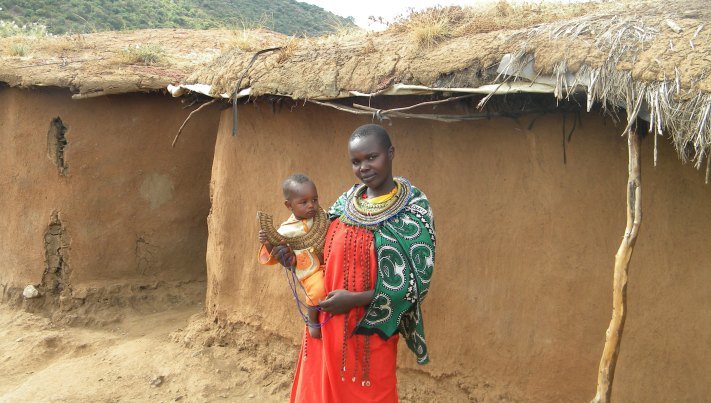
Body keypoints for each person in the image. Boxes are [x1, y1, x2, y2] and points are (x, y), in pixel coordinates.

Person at [273, 124, 436, 402]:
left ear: (391, 153)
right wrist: (291, 258)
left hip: (370, 332)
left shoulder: (412, 212)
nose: (364, 167)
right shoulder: (344, 203)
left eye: (372, 157)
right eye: (356, 161)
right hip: (327, 324)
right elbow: (318, 251)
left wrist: (355, 300)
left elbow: (414, 286)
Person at [258, 173, 327, 339]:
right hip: (310, 271)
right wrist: (268, 241)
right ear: (289, 205)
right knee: (318, 289)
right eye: (304, 202)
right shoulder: (284, 231)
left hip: (331, 261)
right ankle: (312, 319)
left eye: (314, 200)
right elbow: (275, 252)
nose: (311, 205)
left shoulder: (323, 216)